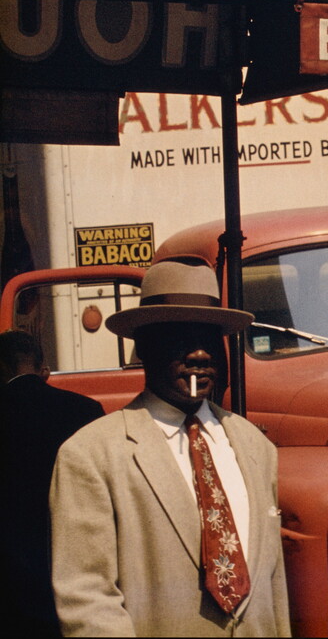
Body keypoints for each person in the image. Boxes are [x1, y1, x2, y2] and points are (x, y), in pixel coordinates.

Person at [49, 261, 291, 638]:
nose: (199, 354)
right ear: (143, 345)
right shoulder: (91, 455)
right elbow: (87, 599)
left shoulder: (255, 447)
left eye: (209, 337)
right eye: (179, 336)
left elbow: (273, 589)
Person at [0, 329, 105, 638]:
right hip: (71, 556)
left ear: (3, 366)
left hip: (10, 568)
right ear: (40, 364)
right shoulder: (85, 409)